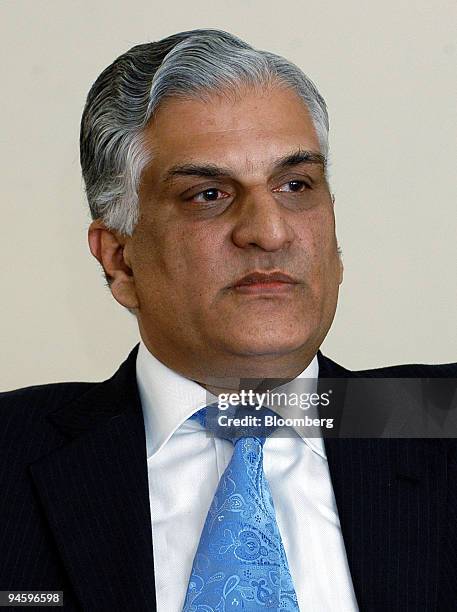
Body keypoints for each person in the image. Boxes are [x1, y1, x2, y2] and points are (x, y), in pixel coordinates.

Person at [0, 29, 455, 612]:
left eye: (296, 185)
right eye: (208, 195)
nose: (269, 231)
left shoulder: (438, 417)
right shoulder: (13, 455)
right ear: (119, 259)